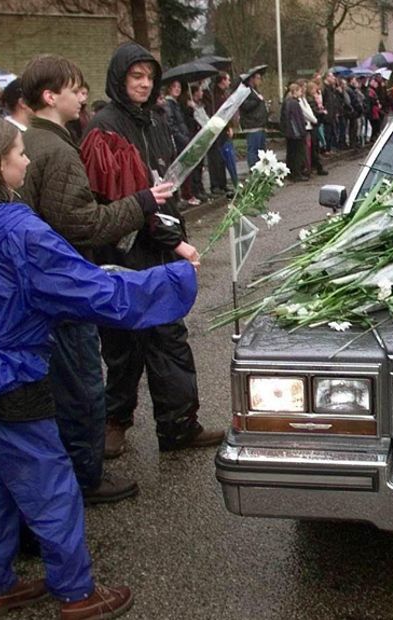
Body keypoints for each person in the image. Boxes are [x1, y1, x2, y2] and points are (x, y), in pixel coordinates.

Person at [0, 115, 198, 619]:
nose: (27, 160)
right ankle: (76, 593)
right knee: (50, 487)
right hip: (11, 379)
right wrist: (176, 279)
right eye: (19, 153)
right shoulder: (21, 231)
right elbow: (94, 290)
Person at [20, 53, 177, 502]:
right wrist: (143, 201)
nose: (82, 95)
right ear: (51, 96)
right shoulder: (59, 148)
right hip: (66, 282)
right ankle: (85, 478)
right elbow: (83, 223)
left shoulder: (37, 141)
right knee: (85, 384)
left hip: (50, 282)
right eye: (74, 88)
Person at [85, 42, 222, 456]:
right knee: (124, 344)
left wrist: (176, 233)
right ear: (119, 79)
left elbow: (168, 186)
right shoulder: (103, 129)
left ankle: (179, 424)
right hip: (122, 253)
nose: (144, 84)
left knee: (169, 337)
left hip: (159, 247)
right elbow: (120, 198)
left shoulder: (157, 120)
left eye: (149, 77)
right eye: (135, 77)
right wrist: (176, 243)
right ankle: (116, 419)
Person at [239, 66, 269, 169]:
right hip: (252, 125)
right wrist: (257, 100)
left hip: (260, 125)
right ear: (252, 79)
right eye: (258, 78)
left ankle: (262, 170)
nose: (260, 81)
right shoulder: (246, 91)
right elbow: (245, 106)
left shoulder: (256, 91)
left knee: (261, 151)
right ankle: (254, 169)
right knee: (253, 150)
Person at [281, 82, 308, 182]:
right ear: (295, 91)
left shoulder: (287, 102)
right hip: (296, 133)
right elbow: (297, 120)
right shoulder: (294, 103)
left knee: (291, 153)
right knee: (297, 154)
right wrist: (301, 131)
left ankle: (291, 173)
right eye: (300, 91)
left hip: (290, 133)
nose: (301, 93)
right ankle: (297, 173)